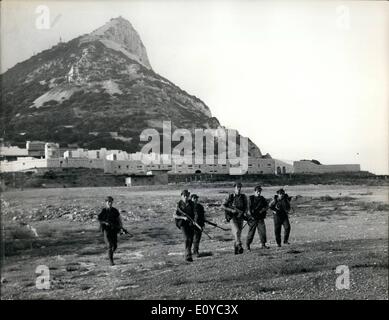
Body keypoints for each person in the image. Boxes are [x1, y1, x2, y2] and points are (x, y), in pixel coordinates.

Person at [223, 182, 248, 254]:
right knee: (236, 231)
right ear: (234, 188)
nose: (239, 189)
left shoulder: (243, 197)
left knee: (238, 233)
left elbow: (246, 207)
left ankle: (236, 248)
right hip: (232, 217)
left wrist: (245, 213)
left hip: (240, 216)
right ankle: (239, 245)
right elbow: (224, 206)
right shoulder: (230, 196)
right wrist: (231, 210)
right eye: (237, 187)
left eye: (240, 187)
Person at [98, 196, 123, 266]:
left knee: (115, 246)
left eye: (111, 202)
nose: (109, 203)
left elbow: (119, 219)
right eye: (108, 202)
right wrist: (105, 223)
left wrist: (120, 226)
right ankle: (111, 261)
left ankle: (110, 254)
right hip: (106, 230)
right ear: (106, 203)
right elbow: (99, 219)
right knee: (109, 245)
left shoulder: (115, 210)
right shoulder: (104, 211)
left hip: (114, 230)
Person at [173, 190, 196, 262]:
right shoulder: (178, 204)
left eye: (187, 196)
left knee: (191, 239)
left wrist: (195, 220)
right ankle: (188, 255)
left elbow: (195, 213)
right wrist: (183, 217)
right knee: (187, 238)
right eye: (184, 196)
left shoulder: (191, 203)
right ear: (181, 196)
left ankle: (188, 254)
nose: (186, 197)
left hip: (191, 223)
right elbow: (174, 215)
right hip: (182, 223)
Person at [246, 185, 269, 250]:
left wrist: (263, 210)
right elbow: (248, 208)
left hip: (260, 218)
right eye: (258, 192)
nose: (259, 193)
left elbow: (267, 206)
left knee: (263, 232)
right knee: (251, 233)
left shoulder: (262, 198)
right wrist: (250, 215)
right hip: (253, 219)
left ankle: (263, 245)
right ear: (255, 191)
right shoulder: (251, 198)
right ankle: (248, 245)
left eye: (260, 192)